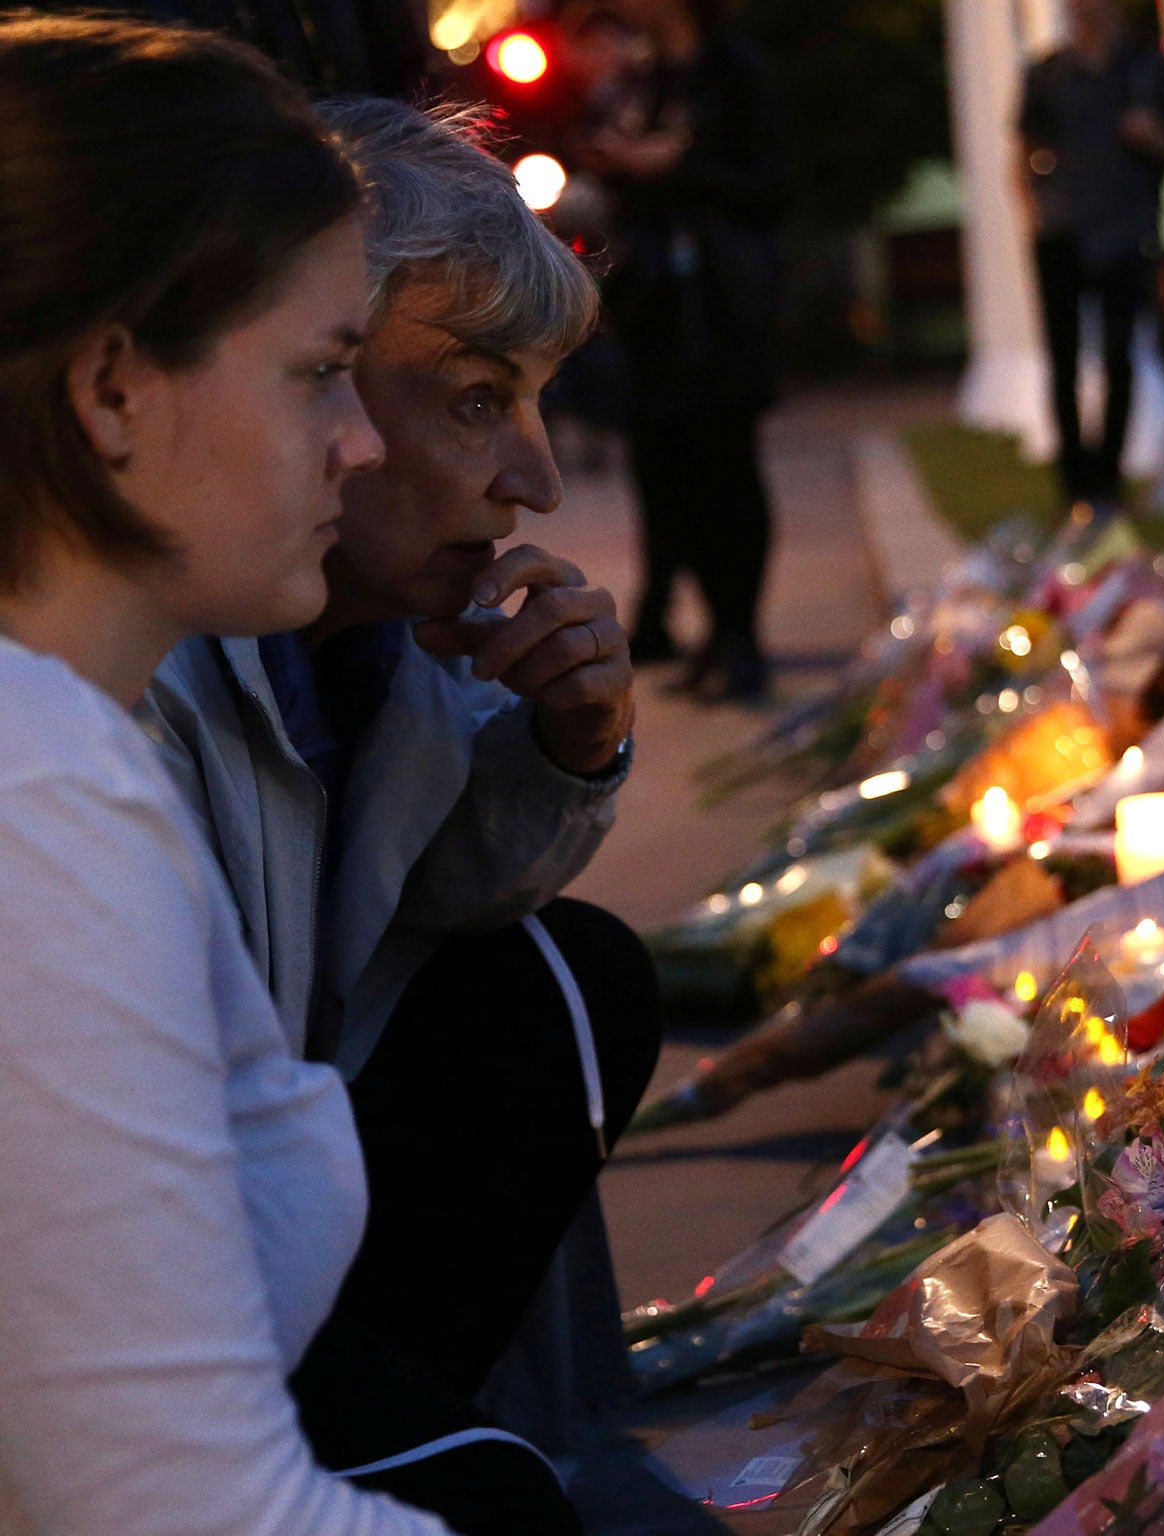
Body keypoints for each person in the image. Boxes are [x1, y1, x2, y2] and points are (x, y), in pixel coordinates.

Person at [143, 99, 661, 1523]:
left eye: (539, 401)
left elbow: (432, 901)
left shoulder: (383, 640)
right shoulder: (115, 679)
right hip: (133, 1290)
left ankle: (418, 1433)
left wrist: (571, 746)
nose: (537, 481)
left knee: (569, 976)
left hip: (236, 1227)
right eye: (478, 398)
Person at [0, 14, 470, 1533]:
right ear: (114, 389)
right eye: (321, 373)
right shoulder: (37, 789)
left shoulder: (77, 742)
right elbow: (189, 1515)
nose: (357, 446)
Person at [586, 0, 783, 701]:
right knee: (669, 475)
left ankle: (742, 632)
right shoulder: (646, 76)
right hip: (655, 307)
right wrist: (620, 162)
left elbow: (768, 188)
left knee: (727, 467)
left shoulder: (734, 74)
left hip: (721, 304)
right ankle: (709, 629)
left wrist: (678, 165)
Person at [1018, 0, 1164, 513]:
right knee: (1061, 361)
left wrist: (1154, 139)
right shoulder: (1047, 74)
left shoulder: (1146, 70)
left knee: (1118, 357)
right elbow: (1022, 148)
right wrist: (1033, 214)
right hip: (1062, 230)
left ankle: (1107, 480)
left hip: (1124, 230)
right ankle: (1075, 484)